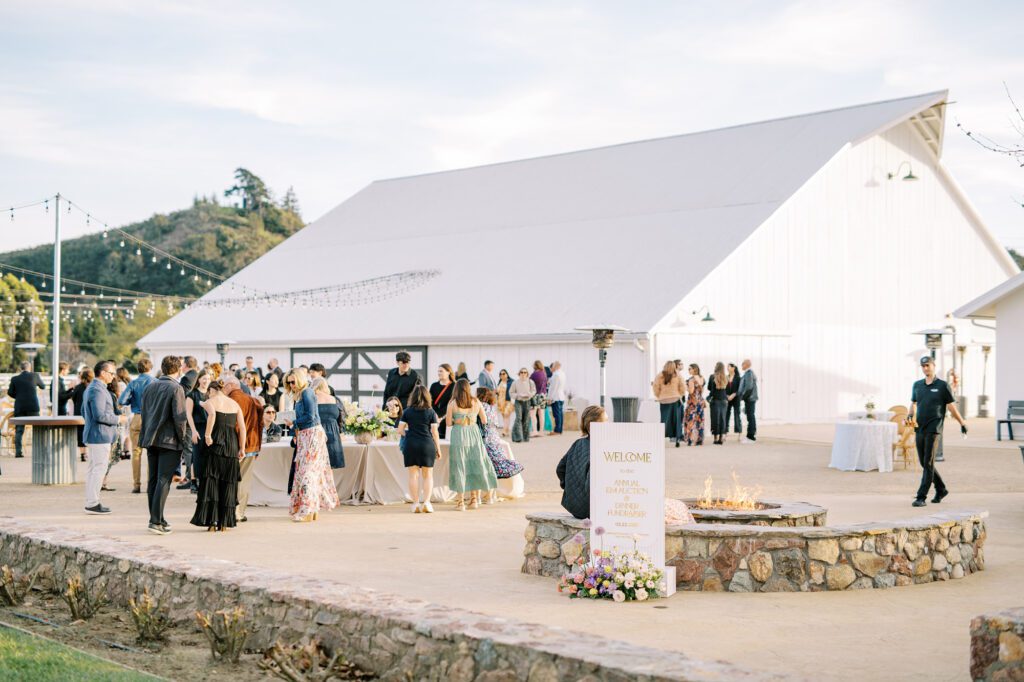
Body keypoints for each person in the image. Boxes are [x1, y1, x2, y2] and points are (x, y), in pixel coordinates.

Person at [907, 356, 967, 508]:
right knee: (924, 462)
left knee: (928, 462)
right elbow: (914, 403)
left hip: (934, 429)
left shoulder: (942, 386)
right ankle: (941, 489)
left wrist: (962, 423)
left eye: (928, 365)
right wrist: (910, 415)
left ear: (934, 365)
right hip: (919, 427)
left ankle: (921, 497)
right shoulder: (917, 385)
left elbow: (951, 407)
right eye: (923, 366)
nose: (925, 368)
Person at [139, 355, 188, 536]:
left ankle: (157, 517)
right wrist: (184, 441)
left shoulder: (150, 386)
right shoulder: (176, 388)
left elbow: (145, 413)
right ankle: (156, 520)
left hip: (151, 438)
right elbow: (180, 418)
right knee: (163, 480)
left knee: (153, 480)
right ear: (179, 369)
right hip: (169, 440)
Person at [190, 379, 245, 531]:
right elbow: (242, 427)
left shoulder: (211, 401)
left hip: (215, 444)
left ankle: (211, 521)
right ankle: (224, 523)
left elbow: (212, 414)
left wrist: (207, 435)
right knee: (228, 483)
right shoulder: (234, 404)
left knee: (212, 481)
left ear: (211, 390)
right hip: (232, 445)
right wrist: (242, 447)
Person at [286, 368, 339, 521]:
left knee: (308, 473)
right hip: (305, 434)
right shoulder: (301, 394)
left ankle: (307, 509)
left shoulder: (306, 393)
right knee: (306, 472)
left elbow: (311, 416)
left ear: (300, 379)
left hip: (312, 434)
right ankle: (311, 509)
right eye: (288, 383)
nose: (291, 385)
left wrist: (293, 423)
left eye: (293, 381)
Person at [446, 379, 497, 510]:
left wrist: (458, 418)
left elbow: (448, 423)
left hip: (459, 434)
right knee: (474, 464)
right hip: (474, 433)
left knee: (460, 466)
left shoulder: (452, 403)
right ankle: (474, 500)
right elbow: (485, 420)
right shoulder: (476, 402)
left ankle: (460, 502)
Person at [555, 406, 607, 519]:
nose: (608, 424)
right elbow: (591, 485)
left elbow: (560, 468)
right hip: (590, 510)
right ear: (590, 425)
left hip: (573, 506)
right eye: (605, 421)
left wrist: (569, 489)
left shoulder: (578, 443)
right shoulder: (601, 449)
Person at [397, 386, 442, 513]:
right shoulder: (431, 412)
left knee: (413, 475)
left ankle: (416, 503)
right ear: (427, 396)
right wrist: (438, 449)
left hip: (411, 445)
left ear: (413, 396)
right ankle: (427, 502)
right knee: (428, 475)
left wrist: (410, 435)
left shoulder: (407, 412)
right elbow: (435, 432)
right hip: (427, 444)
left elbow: (400, 430)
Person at [82, 361, 118, 515]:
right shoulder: (97, 389)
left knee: (94, 469)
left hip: (96, 434)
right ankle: (92, 503)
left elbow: (84, 411)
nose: (113, 376)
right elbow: (99, 415)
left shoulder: (93, 388)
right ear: (103, 373)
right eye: (111, 373)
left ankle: (91, 501)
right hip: (100, 435)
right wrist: (118, 419)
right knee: (99, 469)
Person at [224, 375, 262, 523]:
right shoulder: (253, 400)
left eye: (224, 386)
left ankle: (231, 512)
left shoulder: (231, 400)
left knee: (232, 479)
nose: (223, 389)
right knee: (244, 480)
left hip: (236, 445)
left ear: (230, 386)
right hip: (251, 444)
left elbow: (235, 426)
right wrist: (258, 446)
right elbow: (260, 424)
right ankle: (239, 513)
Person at [477, 388, 524, 501]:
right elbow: (496, 424)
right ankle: (491, 496)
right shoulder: (492, 408)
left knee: (486, 467)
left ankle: (486, 496)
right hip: (494, 438)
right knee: (493, 468)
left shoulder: (480, 406)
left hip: (485, 438)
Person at [118, 358, 154, 494]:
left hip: (137, 417)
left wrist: (132, 400)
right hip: (151, 418)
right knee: (151, 453)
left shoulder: (133, 383)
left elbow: (122, 400)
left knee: (136, 452)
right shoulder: (155, 382)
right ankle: (151, 484)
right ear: (150, 368)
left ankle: (136, 484)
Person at [7, 360, 44, 458]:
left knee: (19, 430)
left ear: (20, 368)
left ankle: (18, 453)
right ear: (30, 368)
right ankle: (39, 451)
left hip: (20, 406)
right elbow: (43, 386)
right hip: (33, 406)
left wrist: (19, 396)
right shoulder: (35, 375)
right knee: (38, 428)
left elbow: (10, 392)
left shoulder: (14, 379)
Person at [184, 370, 211, 494]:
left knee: (208, 455)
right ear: (199, 379)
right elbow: (188, 414)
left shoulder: (211, 394)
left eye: (208, 378)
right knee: (196, 455)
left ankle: (205, 480)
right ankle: (194, 481)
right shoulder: (192, 394)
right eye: (204, 378)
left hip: (209, 428)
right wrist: (194, 431)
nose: (206, 381)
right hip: (198, 428)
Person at [312, 377, 345, 469]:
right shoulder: (334, 399)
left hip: (317, 431)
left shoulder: (312, 399)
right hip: (333, 431)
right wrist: (342, 432)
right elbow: (341, 417)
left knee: (316, 465)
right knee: (330, 466)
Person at [653, 361, 684, 447]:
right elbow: (682, 386)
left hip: (664, 400)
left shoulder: (660, 375)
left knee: (664, 420)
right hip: (675, 399)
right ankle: (677, 439)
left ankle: (661, 439)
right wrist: (680, 394)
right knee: (676, 420)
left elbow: (655, 387)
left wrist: (659, 395)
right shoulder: (677, 374)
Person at [429, 364, 456, 439]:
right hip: (435, 417)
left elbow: (452, 402)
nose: (439, 373)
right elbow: (430, 401)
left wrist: (440, 416)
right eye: (438, 371)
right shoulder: (434, 385)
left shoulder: (454, 386)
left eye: (441, 371)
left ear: (448, 372)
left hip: (449, 417)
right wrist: (436, 415)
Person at [72, 368, 93, 463]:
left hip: (78, 413)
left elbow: (73, 399)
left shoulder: (78, 387)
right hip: (89, 413)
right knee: (90, 431)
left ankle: (82, 454)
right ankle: (89, 452)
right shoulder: (92, 387)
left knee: (80, 433)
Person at [509, 368, 536, 443]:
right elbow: (511, 392)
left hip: (527, 401)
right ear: (519, 373)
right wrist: (518, 395)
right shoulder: (515, 382)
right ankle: (517, 437)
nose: (523, 374)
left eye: (525, 372)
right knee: (518, 418)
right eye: (522, 372)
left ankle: (525, 437)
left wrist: (530, 395)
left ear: (527, 374)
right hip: (518, 401)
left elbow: (534, 391)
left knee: (526, 419)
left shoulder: (531, 382)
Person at [684, 363, 706, 446]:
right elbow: (701, 391)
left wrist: (684, 386)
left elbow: (691, 391)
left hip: (692, 403)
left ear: (694, 369)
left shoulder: (691, 379)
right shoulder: (702, 378)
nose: (688, 370)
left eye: (690, 369)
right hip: (700, 401)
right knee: (699, 420)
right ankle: (699, 440)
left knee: (690, 420)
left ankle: (690, 440)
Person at [708, 362, 729, 445]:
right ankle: (721, 438)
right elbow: (727, 389)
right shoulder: (726, 377)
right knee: (723, 419)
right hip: (724, 400)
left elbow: (709, 388)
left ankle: (715, 438)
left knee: (715, 419)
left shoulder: (712, 376)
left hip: (715, 400)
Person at [738, 359, 759, 442]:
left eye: (742, 364)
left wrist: (743, 397)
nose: (741, 366)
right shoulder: (748, 373)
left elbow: (749, 387)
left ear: (746, 364)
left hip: (750, 398)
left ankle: (751, 437)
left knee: (750, 416)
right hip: (750, 398)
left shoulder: (748, 373)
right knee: (750, 416)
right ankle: (751, 434)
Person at [529, 361, 548, 436]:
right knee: (541, 414)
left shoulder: (534, 374)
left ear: (535, 365)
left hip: (535, 395)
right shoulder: (544, 374)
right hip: (543, 395)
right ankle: (541, 431)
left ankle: (535, 431)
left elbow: (529, 383)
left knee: (533, 414)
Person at [547, 361, 567, 435]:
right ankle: (560, 429)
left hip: (556, 397)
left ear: (554, 367)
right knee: (560, 414)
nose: (551, 369)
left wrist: (550, 398)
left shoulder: (556, 375)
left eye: (551, 367)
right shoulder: (562, 374)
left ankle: (557, 430)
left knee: (557, 414)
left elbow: (553, 388)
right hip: (561, 396)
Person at [725, 363, 742, 443]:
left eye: (729, 367)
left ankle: (739, 434)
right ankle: (725, 433)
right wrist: (727, 395)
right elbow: (724, 388)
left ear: (733, 368)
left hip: (736, 398)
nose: (727, 368)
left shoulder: (738, 378)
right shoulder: (726, 377)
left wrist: (734, 394)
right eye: (727, 367)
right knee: (726, 415)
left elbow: (740, 389)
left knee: (736, 415)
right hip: (727, 398)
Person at [495, 369, 514, 438]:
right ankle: (507, 430)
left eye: (504, 374)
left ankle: (504, 431)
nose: (502, 375)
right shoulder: (500, 382)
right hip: (500, 401)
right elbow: (497, 391)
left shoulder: (511, 382)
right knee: (504, 416)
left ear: (507, 374)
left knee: (506, 415)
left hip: (508, 401)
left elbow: (513, 390)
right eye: (501, 374)